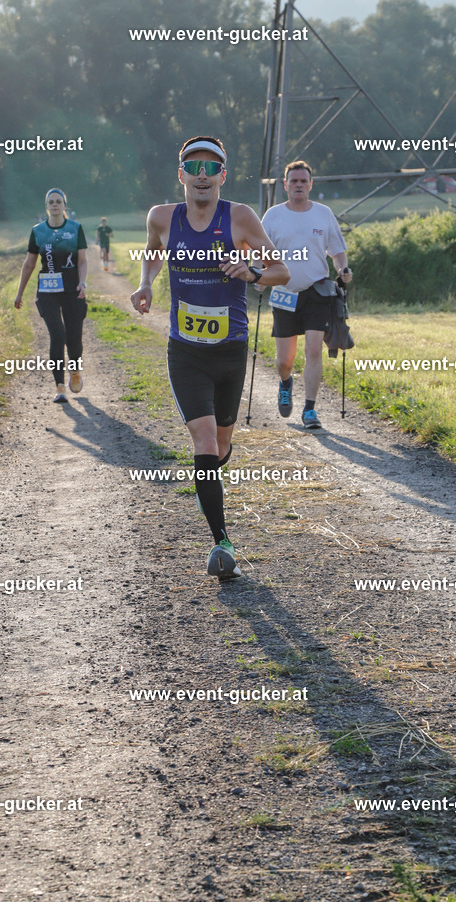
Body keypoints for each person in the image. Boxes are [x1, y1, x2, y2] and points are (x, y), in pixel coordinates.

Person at [130, 135, 289, 580]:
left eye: (211, 166)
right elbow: (153, 253)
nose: (202, 175)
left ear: (223, 174)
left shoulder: (239, 217)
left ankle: (214, 475)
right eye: (193, 167)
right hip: (185, 352)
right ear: (180, 175)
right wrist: (146, 284)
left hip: (231, 350)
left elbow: (281, 269)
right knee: (202, 444)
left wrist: (253, 271)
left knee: (219, 446)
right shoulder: (162, 217)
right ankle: (221, 542)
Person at [261, 160, 352, 429]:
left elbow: (338, 252)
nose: (299, 185)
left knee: (314, 349)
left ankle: (310, 410)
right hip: (284, 293)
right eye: (294, 181)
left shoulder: (323, 214)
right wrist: (258, 276)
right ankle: (285, 383)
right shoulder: (273, 215)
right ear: (285, 185)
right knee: (284, 360)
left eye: (303, 181)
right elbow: (260, 252)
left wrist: (344, 270)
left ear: (310, 185)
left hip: (317, 291)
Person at [14, 188, 88, 403]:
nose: (55, 205)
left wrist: (83, 282)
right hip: (47, 291)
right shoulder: (37, 231)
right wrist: (19, 293)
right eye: (51, 202)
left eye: (58, 201)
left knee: (74, 339)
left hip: (72, 290)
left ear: (64, 205)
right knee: (57, 335)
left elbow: (82, 261)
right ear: (46, 206)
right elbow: (29, 264)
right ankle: (59, 386)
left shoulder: (75, 229)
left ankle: (74, 371)